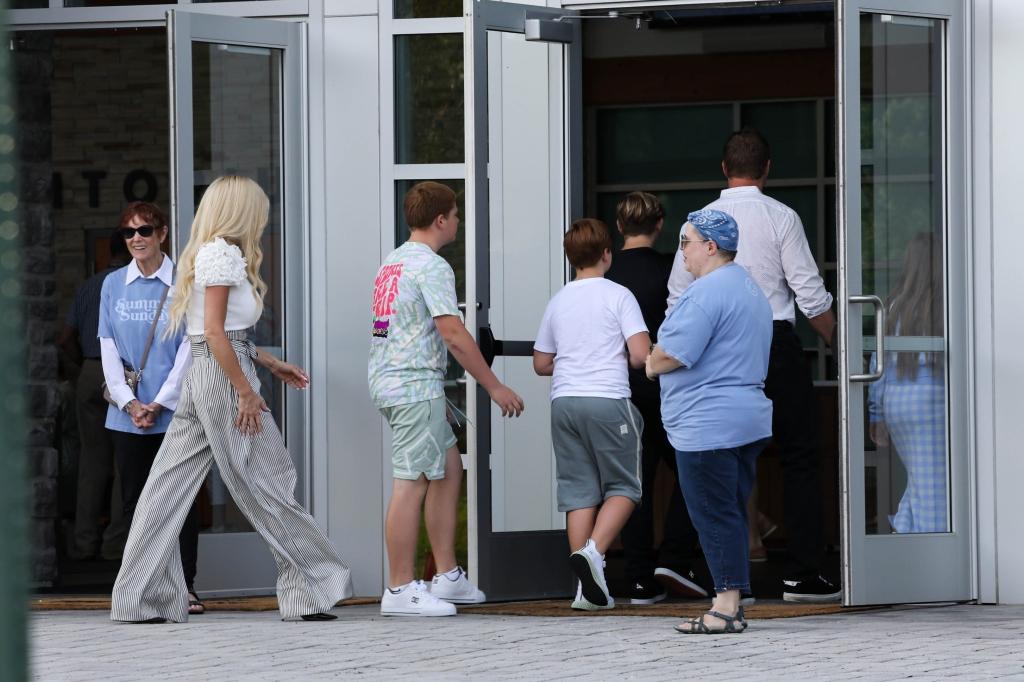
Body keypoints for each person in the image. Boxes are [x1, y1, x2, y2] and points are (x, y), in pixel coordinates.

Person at [111, 176, 352, 623]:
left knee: (166, 486)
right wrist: (245, 390)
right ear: (242, 210)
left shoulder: (208, 252)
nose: (263, 217)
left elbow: (213, 335)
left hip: (207, 373)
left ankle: (139, 597)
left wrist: (268, 363)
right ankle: (310, 589)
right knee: (270, 480)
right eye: (258, 208)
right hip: (221, 379)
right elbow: (218, 334)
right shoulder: (222, 253)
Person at [668, 128, 840, 603]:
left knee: (706, 450)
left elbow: (677, 299)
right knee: (800, 457)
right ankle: (803, 573)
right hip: (773, 343)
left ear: (724, 170)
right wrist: (845, 352)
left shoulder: (699, 224)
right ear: (767, 169)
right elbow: (808, 295)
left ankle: (692, 564)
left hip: (712, 348)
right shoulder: (781, 217)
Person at [369, 181, 524, 617]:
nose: (458, 221)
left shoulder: (393, 262)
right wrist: (494, 385)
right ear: (441, 220)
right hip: (414, 385)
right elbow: (452, 333)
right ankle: (399, 588)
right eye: (456, 215)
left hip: (394, 380)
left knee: (449, 468)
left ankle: (447, 576)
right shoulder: (432, 266)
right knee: (412, 481)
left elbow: (388, 328)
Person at [647, 210, 773, 634]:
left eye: (686, 241)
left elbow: (673, 353)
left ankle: (722, 607)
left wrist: (650, 363)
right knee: (732, 513)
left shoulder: (705, 293)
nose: (680, 250)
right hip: (744, 419)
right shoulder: (750, 288)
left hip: (707, 423)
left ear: (710, 246)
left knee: (713, 515)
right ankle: (733, 602)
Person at [533, 218, 651, 611]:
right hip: (608, 400)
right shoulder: (619, 296)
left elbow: (541, 362)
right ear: (607, 254)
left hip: (564, 402)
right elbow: (639, 354)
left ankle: (586, 591)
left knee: (578, 491)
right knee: (625, 486)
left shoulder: (559, 299)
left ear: (570, 258)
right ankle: (594, 552)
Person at [98, 202, 203, 614]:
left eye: (144, 230)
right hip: (127, 415)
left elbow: (191, 348)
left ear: (162, 234)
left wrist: (160, 401)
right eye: (128, 232)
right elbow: (107, 346)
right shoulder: (112, 285)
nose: (136, 238)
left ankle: (186, 586)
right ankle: (142, 586)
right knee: (134, 502)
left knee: (182, 500)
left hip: (175, 413)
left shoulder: (184, 282)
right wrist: (128, 402)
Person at [603, 192, 707, 604]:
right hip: (668, 386)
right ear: (660, 225)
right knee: (693, 472)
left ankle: (639, 578)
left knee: (633, 484)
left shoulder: (605, 276)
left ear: (620, 226)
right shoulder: (674, 270)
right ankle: (676, 558)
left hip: (619, 389)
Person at [58, 231, 132, 561]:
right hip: (122, 373)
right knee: (123, 461)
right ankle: (115, 544)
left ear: (106, 254)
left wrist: (79, 372)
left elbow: (64, 339)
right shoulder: (131, 285)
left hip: (89, 369)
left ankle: (83, 542)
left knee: (92, 461)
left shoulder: (88, 286)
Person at [868, 232, 947, 533]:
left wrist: (877, 412)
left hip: (898, 403)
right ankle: (931, 545)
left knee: (921, 480)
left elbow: (879, 363)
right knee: (935, 490)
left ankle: (905, 534)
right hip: (935, 402)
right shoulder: (947, 304)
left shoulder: (893, 306)